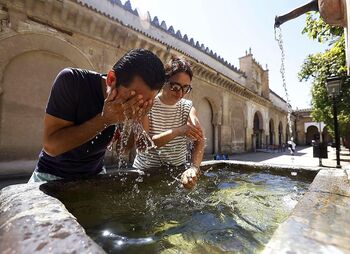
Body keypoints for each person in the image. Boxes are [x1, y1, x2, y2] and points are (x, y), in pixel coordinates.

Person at [28, 49, 165, 182]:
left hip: (95, 176)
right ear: (111, 79)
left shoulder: (131, 104)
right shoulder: (73, 81)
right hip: (51, 175)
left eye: (145, 102)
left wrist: (137, 119)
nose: (135, 105)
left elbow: (122, 150)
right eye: (132, 98)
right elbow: (51, 147)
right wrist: (105, 119)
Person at [132, 56, 205, 189]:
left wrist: (194, 168)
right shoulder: (148, 103)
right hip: (145, 174)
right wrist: (178, 131)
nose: (181, 93)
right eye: (175, 86)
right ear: (163, 81)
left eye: (186, 88)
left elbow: (200, 140)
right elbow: (143, 144)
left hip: (177, 173)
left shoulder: (187, 107)